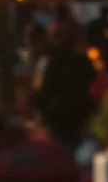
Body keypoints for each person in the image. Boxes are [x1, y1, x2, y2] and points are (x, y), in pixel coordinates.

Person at [34, 15, 97, 152]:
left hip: (58, 117)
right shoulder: (82, 62)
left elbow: (44, 90)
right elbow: (94, 88)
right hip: (78, 116)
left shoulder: (52, 61)